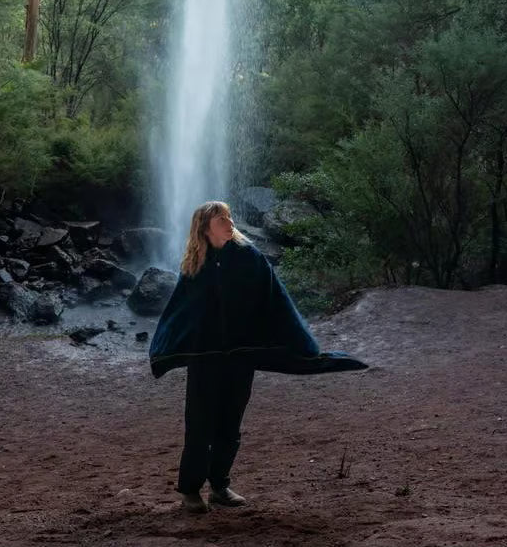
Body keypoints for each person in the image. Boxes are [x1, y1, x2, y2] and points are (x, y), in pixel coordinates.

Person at [149, 200, 367, 514]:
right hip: (205, 359)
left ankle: (219, 486)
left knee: (230, 424)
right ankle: (190, 491)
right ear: (205, 228)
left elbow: (276, 298)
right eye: (221, 220)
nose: (229, 223)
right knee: (199, 424)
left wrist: (302, 342)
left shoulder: (249, 257)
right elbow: (180, 311)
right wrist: (164, 347)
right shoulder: (195, 264)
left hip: (241, 355)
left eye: (229, 218)